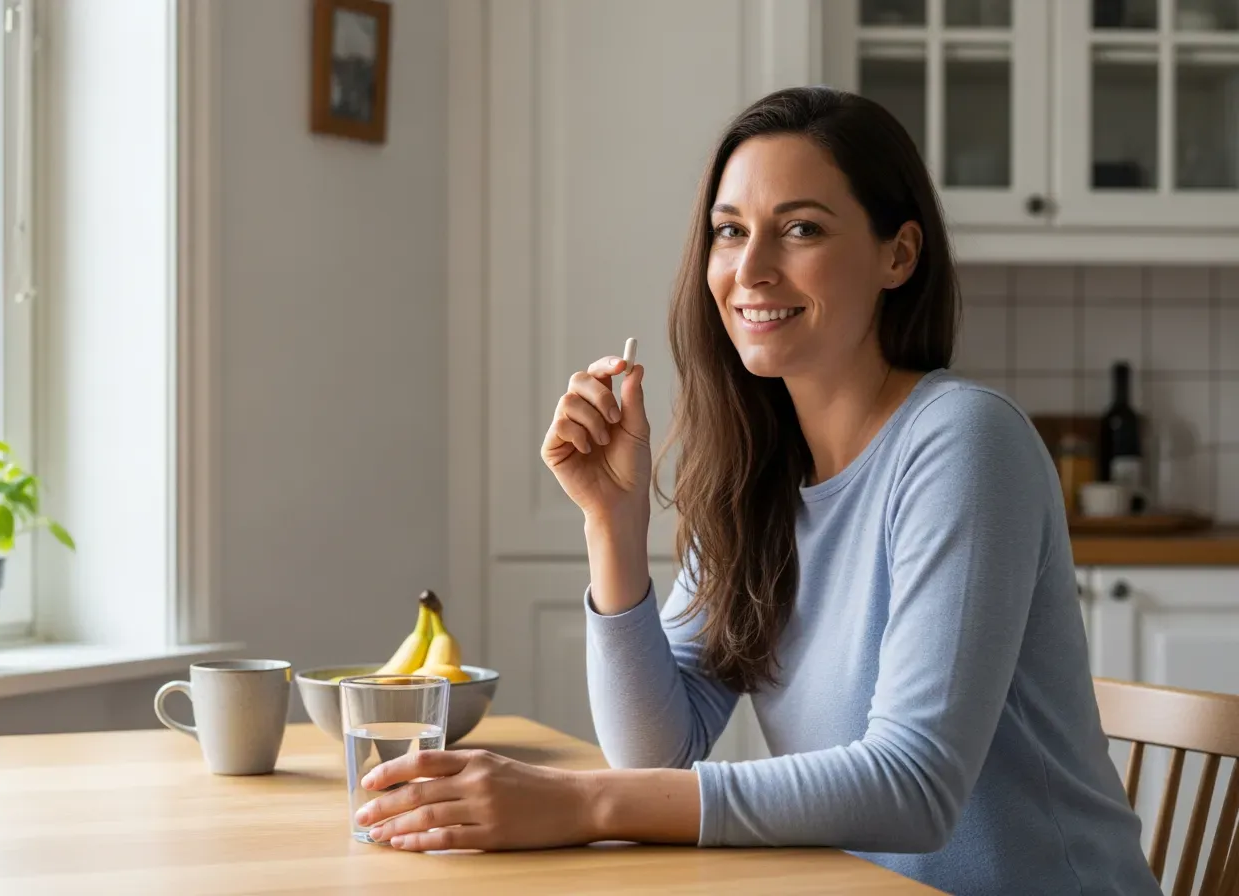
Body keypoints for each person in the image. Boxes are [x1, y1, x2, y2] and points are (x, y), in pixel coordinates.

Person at [352, 86, 1160, 894]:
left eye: (801, 229)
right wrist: (612, 523)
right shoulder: (760, 479)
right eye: (730, 232)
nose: (750, 270)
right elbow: (656, 751)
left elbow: (914, 786)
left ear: (898, 255)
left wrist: (583, 801)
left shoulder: (963, 440)